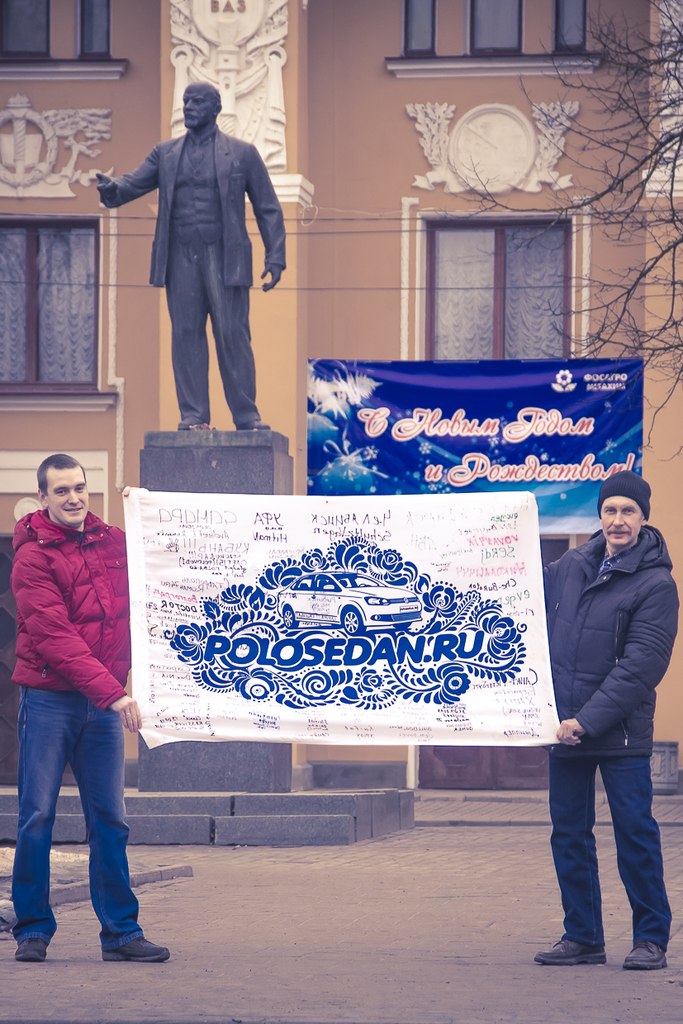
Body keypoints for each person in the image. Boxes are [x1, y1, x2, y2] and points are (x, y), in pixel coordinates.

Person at [10, 453, 169, 964]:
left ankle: (121, 933)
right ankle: (32, 930)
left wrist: (153, 513)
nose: (74, 498)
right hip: (51, 700)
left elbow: (165, 572)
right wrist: (115, 694)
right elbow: (54, 637)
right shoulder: (32, 558)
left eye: (79, 488)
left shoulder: (116, 543)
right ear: (43, 498)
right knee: (37, 816)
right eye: (61, 491)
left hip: (101, 705)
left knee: (110, 820)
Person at [535, 470, 678, 971]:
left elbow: (642, 666)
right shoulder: (569, 567)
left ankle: (650, 939)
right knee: (569, 835)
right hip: (564, 731)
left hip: (619, 733)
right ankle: (583, 937)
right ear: (599, 515)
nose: (618, 520)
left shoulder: (657, 584)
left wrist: (586, 720)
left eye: (628, 511)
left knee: (634, 833)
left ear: (643, 517)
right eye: (610, 510)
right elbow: (517, 600)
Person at [96, 81, 285, 432]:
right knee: (185, 333)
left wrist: (275, 257)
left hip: (225, 256)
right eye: (186, 102)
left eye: (196, 102)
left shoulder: (242, 153)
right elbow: (133, 183)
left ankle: (246, 415)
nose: (189, 108)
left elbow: (268, 207)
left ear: (215, 109)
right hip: (181, 255)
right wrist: (112, 189)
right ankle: (194, 414)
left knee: (232, 334)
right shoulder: (165, 154)